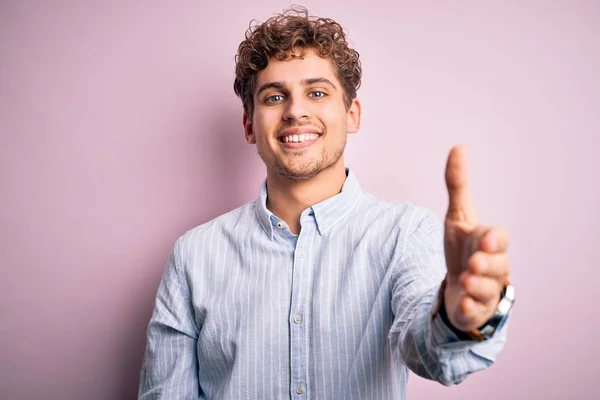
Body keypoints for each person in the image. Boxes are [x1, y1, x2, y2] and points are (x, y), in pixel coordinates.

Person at [138, 6, 514, 400]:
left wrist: (456, 318)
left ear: (352, 114)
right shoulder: (194, 256)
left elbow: (431, 354)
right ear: (249, 125)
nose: (296, 110)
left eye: (317, 93)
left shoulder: (406, 234)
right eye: (274, 96)